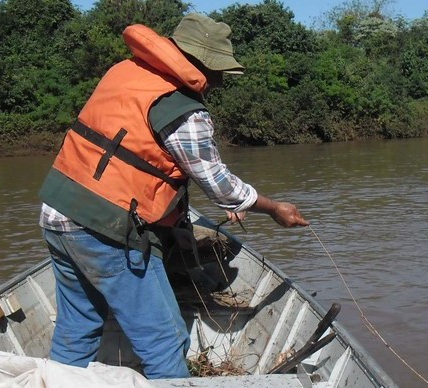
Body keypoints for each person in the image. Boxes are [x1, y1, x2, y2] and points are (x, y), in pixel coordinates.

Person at [37, 14, 309, 379]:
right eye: (215, 72)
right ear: (198, 61)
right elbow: (220, 187)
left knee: (78, 326)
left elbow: (139, 162)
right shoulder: (182, 111)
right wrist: (274, 208)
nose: (214, 83)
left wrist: (174, 223)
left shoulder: (125, 73)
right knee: (165, 342)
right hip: (105, 230)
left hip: (57, 213)